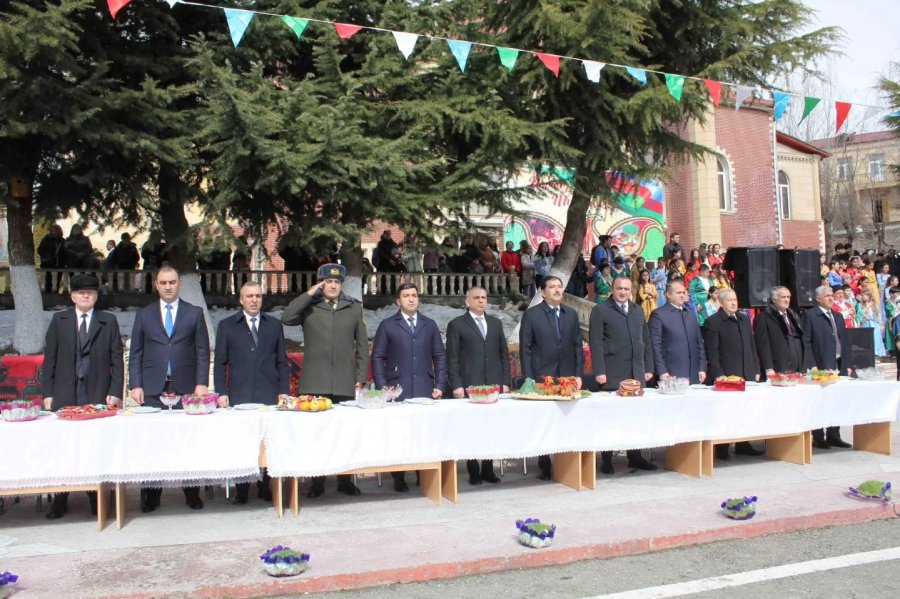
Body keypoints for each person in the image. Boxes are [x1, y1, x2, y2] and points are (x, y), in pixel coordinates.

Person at [283, 264, 370, 498]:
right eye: (328, 282)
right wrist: (309, 293)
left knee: (345, 434)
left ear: (342, 284)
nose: (333, 286)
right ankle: (317, 482)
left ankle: (345, 480)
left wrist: (361, 376)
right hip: (315, 381)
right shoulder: (309, 307)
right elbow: (287, 317)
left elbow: (362, 345)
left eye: (337, 282)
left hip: (344, 381)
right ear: (321, 284)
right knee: (316, 435)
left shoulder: (353, 307)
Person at [41, 274, 123, 519]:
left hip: (96, 391)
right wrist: (48, 393)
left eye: (90, 292)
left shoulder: (108, 321)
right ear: (72, 296)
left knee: (94, 446)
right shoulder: (60, 320)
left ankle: (95, 497)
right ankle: (61, 498)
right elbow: (50, 359)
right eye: (80, 292)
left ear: (96, 295)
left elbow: (117, 360)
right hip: (66, 392)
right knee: (64, 447)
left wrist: (115, 391)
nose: (85, 295)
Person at [130, 266, 210, 512]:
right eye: (163, 282)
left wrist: (201, 383)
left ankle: (191, 492)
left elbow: (202, 351)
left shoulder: (194, 313)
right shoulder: (144, 315)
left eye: (172, 282)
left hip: (186, 386)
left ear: (179, 284)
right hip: (152, 387)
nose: (168, 287)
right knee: (152, 442)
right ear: (156, 285)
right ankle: (152, 495)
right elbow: (136, 352)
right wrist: (136, 384)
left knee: (187, 440)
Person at [214, 281, 290, 504]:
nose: (254, 300)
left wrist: (284, 391)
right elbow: (220, 363)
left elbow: (282, 362)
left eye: (257, 296)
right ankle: (242, 490)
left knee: (267, 442)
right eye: (249, 296)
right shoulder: (227, 326)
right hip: (240, 394)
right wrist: (221, 392)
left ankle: (265, 486)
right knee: (243, 443)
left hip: (268, 392)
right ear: (241, 300)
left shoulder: (273, 325)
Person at [372, 283, 446, 492]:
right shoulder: (387, 325)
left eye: (414, 295)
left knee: (424, 433)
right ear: (398, 301)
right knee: (400, 434)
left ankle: (424, 474)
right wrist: (382, 388)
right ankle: (399, 476)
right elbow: (377, 357)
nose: (411, 299)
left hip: (424, 386)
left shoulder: (429, 324)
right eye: (406, 296)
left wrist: (440, 384)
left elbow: (440, 356)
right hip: (398, 387)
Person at [519, 276, 584, 480]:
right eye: (552, 287)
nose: (557, 290)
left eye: (559, 286)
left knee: (566, 420)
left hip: (566, 375)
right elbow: (525, 349)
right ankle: (544, 461)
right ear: (542, 292)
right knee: (545, 421)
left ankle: (566, 461)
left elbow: (577, 345)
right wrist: (529, 378)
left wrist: (578, 374)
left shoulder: (570, 314)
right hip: (542, 376)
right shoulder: (532, 315)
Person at [589, 277, 656, 473]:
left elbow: (646, 340)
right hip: (613, 371)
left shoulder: (637, 310)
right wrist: (600, 371)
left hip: (636, 372)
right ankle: (606, 459)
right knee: (610, 418)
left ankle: (635, 457)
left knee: (636, 418)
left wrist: (648, 367)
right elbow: (596, 342)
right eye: (619, 288)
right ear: (613, 289)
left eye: (627, 289)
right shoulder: (601, 310)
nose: (623, 292)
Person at [445, 287, 510, 485]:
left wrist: (505, 382)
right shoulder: (456, 325)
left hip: (493, 385)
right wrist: (456, 384)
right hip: (469, 385)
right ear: (467, 302)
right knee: (471, 429)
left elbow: (503, 355)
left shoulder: (496, 324)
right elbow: (452, 358)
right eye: (477, 298)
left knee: (491, 429)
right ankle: (473, 470)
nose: (481, 301)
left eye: (484, 298)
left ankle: (488, 469)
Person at [702, 288, 762, 460]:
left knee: (745, 411)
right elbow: (711, 351)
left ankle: (743, 444)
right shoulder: (713, 322)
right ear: (721, 303)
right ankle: (722, 447)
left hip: (746, 372)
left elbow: (751, 345)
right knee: (725, 412)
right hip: (727, 374)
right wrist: (718, 373)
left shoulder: (744, 319)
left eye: (735, 299)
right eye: (729, 300)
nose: (734, 303)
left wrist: (756, 369)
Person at [802, 286, 853, 449]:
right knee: (820, 402)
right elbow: (806, 342)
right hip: (821, 364)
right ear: (818, 299)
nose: (831, 298)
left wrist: (847, 364)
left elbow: (844, 341)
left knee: (836, 401)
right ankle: (818, 436)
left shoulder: (837, 316)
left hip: (838, 363)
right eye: (827, 296)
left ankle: (834, 434)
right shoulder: (811, 315)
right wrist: (811, 364)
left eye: (832, 295)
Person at [648, 280, 707, 384]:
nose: (682, 295)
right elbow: (655, 346)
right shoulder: (658, 314)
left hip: (694, 373)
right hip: (671, 374)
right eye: (678, 293)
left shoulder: (691, 314)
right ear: (668, 294)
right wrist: (661, 371)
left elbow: (699, 343)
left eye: (684, 292)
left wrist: (702, 367)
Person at [754, 286, 804, 378]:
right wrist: (768, 368)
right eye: (783, 297)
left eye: (788, 297)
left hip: (797, 368)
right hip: (778, 368)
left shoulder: (793, 315)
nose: (787, 300)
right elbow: (762, 345)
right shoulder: (763, 318)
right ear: (774, 300)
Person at [37, 224, 67, 293]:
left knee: (56, 284)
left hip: (58, 265)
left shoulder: (62, 241)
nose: (53, 232)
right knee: (47, 283)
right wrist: (47, 255)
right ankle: (47, 295)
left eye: (55, 230)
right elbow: (40, 250)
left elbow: (66, 252)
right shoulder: (46, 239)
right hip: (47, 265)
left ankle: (55, 295)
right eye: (52, 230)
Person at [856, 291, 886, 358]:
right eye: (862, 295)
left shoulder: (874, 305)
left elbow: (878, 315)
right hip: (865, 323)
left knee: (875, 338)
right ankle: (868, 353)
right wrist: (867, 307)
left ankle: (876, 353)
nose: (862, 297)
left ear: (869, 297)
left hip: (874, 324)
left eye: (864, 295)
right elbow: (860, 315)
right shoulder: (860, 305)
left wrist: (879, 323)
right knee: (867, 339)